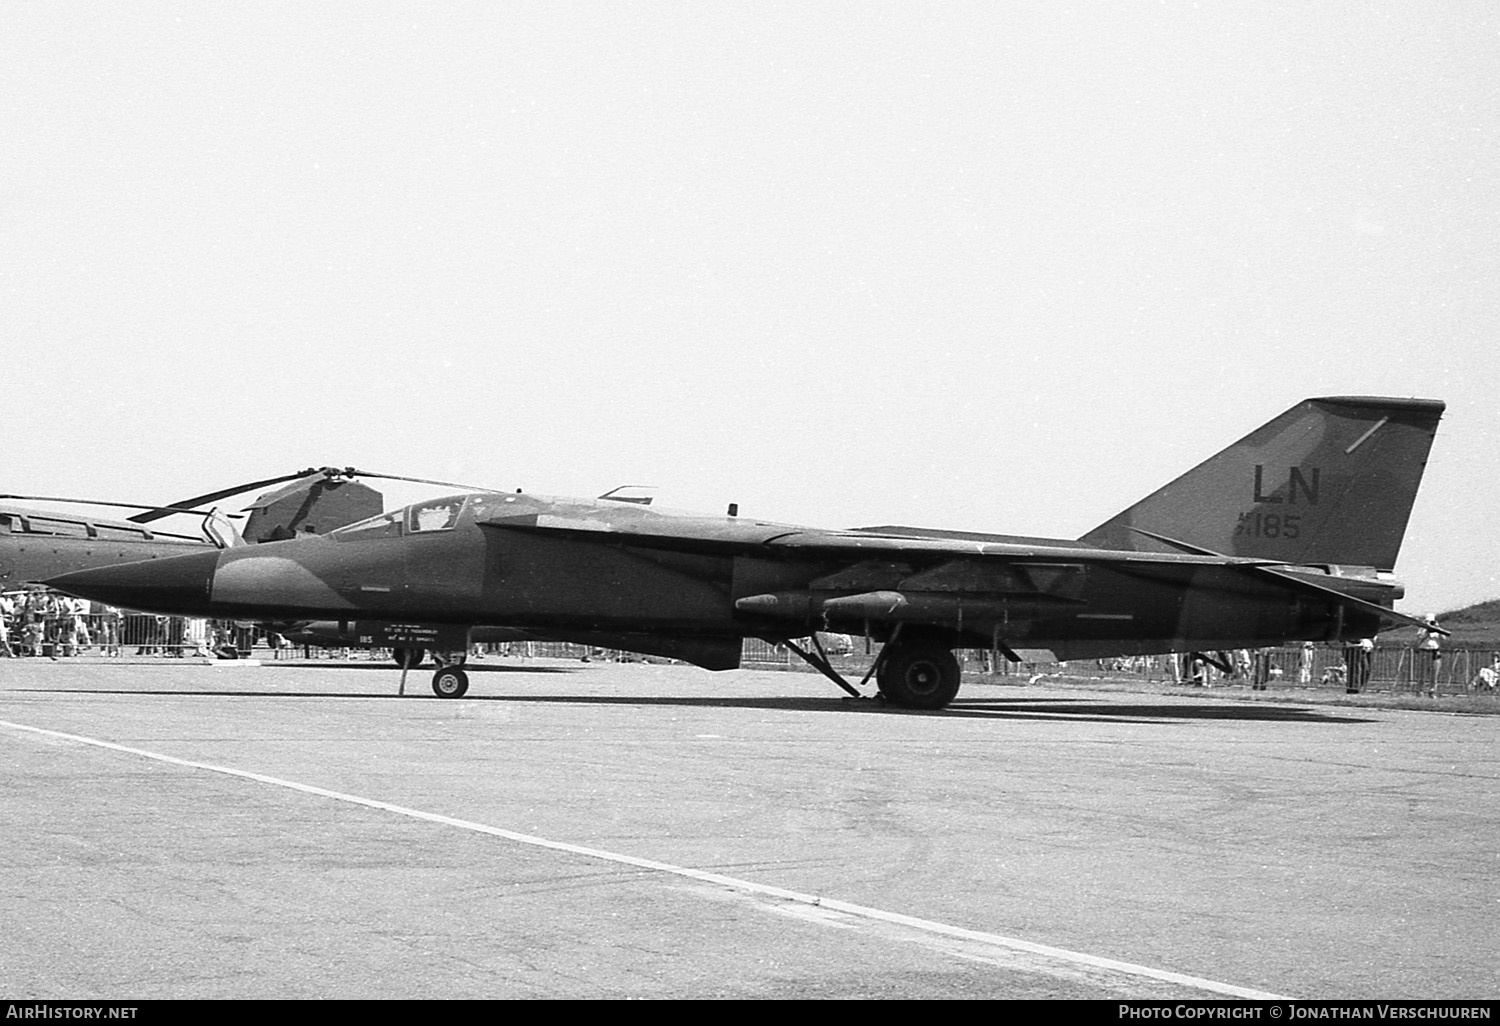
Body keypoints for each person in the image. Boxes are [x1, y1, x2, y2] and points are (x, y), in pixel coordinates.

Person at [1416, 617, 1443, 696]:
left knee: (1434, 673)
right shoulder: (1422, 629)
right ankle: (1420, 690)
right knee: (1422, 673)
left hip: (1435, 651)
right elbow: (1420, 637)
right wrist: (1427, 630)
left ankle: (1432, 691)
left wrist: (1438, 628)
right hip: (1424, 651)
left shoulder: (1437, 630)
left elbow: (1444, 638)